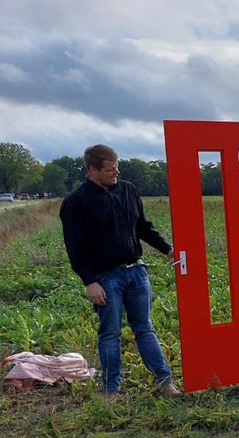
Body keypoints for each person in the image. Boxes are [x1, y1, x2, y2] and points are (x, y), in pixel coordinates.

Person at [60, 144, 181, 398]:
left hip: (137, 272)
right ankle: (111, 391)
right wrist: (90, 282)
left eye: (117, 167)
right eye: (109, 169)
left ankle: (165, 382)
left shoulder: (128, 190)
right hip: (105, 278)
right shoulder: (75, 202)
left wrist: (167, 249)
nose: (115, 173)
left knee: (145, 328)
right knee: (110, 334)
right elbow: (75, 248)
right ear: (92, 169)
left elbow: (143, 227)